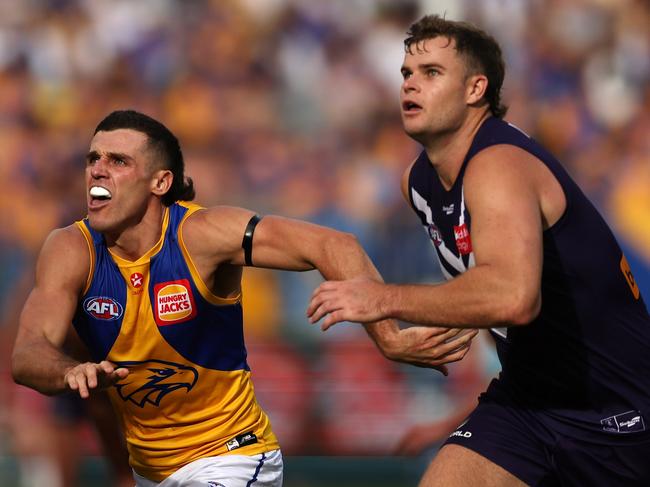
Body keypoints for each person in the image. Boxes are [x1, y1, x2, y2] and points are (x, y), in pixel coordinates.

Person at [11, 109, 475, 487]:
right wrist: (71, 371)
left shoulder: (204, 235)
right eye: (94, 157)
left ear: (160, 182)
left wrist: (389, 338)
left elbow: (335, 246)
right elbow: (28, 353)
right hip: (154, 473)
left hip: (232, 458)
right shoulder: (69, 248)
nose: (97, 169)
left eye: (118, 160)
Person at [308, 14, 650, 487]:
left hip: (618, 413)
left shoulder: (499, 165)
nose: (411, 85)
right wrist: (460, 418)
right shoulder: (419, 182)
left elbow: (513, 297)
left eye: (431, 73)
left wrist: (382, 298)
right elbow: (495, 313)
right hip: (526, 408)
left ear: (475, 90)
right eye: (407, 73)